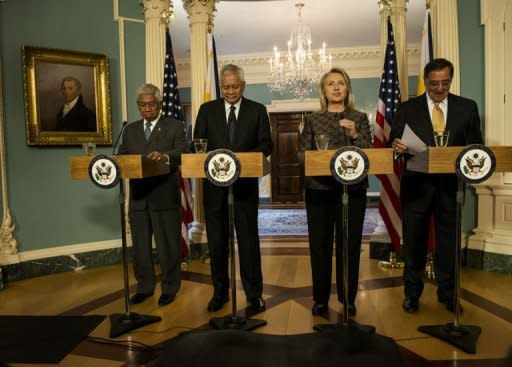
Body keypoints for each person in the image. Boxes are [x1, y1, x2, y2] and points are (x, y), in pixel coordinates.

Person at [389, 58, 483, 314]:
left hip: (451, 187)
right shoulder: (408, 108)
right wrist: (396, 146)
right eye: (434, 84)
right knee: (415, 243)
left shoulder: (467, 108)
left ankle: (449, 294)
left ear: (451, 80)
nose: (440, 89)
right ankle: (412, 294)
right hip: (416, 186)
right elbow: (392, 142)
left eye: (445, 83)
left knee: (448, 243)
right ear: (426, 81)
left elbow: (476, 146)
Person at [193, 64, 272, 313]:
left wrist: (239, 161)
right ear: (221, 86)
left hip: (245, 188)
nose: (230, 91)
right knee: (217, 243)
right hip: (215, 190)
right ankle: (220, 293)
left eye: (234, 86)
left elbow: (266, 144)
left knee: (249, 242)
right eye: (225, 87)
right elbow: (198, 143)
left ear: (243, 86)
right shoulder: (207, 110)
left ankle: (253, 294)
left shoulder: (257, 110)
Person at [298, 67, 371, 317]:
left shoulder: (359, 118)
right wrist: (317, 159)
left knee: (348, 247)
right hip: (319, 190)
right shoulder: (312, 119)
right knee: (320, 246)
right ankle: (320, 300)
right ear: (324, 90)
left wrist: (354, 134)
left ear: (347, 88)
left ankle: (348, 298)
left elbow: (369, 153)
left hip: (352, 191)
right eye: (331, 84)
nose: (336, 87)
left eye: (341, 83)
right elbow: (301, 154)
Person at [118, 83, 190, 306]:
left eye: (151, 104)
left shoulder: (175, 126)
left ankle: (170, 287)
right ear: (138, 107)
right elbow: (122, 156)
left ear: (159, 104)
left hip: (164, 196)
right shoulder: (129, 130)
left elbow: (184, 151)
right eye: (142, 105)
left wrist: (165, 156)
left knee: (168, 246)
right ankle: (145, 286)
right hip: (139, 198)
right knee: (140, 247)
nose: (147, 109)